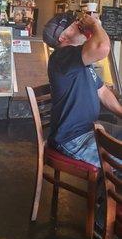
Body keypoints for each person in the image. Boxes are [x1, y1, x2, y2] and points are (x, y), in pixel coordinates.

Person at [42, 11, 122, 168]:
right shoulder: (62, 57)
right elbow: (102, 47)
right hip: (73, 139)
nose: (79, 26)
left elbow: (102, 91)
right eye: (73, 25)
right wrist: (94, 24)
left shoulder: (80, 58)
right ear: (62, 38)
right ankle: (108, 188)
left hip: (90, 128)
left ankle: (106, 188)